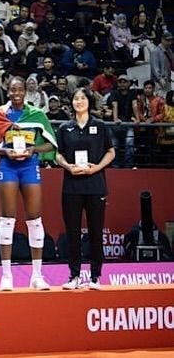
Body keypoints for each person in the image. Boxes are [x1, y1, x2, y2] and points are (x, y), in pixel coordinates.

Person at [0, 76, 57, 291]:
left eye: (19, 90)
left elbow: (51, 145)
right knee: (7, 219)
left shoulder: (37, 114)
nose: (16, 94)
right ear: (8, 92)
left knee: (35, 219)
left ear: (25, 92)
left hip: (29, 167)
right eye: (12, 90)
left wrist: (33, 150)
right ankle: (6, 276)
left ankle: (37, 275)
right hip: (8, 167)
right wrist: (4, 151)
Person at [56, 87, 115, 290]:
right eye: (76, 98)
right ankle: (74, 276)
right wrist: (68, 166)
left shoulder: (100, 126)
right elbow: (58, 154)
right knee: (72, 233)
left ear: (89, 102)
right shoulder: (65, 128)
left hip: (95, 185)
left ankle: (95, 276)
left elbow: (111, 152)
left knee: (96, 232)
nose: (79, 101)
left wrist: (97, 168)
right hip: (71, 187)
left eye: (82, 98)